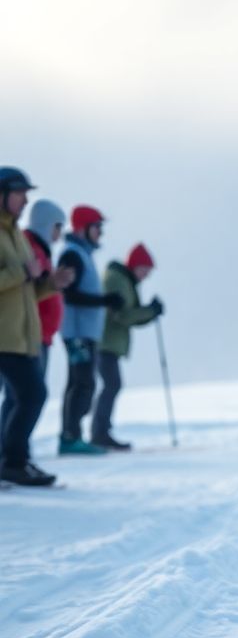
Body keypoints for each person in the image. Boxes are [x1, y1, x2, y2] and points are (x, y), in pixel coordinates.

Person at [0, 169, 72, 486]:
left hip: (21, 335)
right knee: (31, 394)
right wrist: (22, 272)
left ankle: (15, 461)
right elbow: (17, 277)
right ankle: (13, 462)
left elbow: (27, 287)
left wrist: (51, 284)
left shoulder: (14, 234)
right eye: (19, 193)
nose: (25, 200)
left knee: (25, 395)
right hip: (5, 335)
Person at [58, 205, 123, 455]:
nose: (100, 234)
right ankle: (70, 437)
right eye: (98, 228)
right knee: (82, 383)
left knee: (81, 382)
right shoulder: (73, 254)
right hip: (77, 333)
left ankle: (72, 435)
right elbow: (70, 294)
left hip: (84, 331)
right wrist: (105, 301)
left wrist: (103, 301)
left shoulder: (81, 254)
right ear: (84, 228)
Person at [92, 243, 163, 450]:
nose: (146, 276)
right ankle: (99, 432)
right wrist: (149, 311)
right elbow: (122, 315)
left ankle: (101, 431)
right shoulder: (117, 280)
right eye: (145, 270)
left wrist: (150, 312)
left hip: (111, 342)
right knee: (111, 384)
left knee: (111, 384)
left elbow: (130, 315)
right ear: (135, 265)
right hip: (105, 342)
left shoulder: (125, 281)